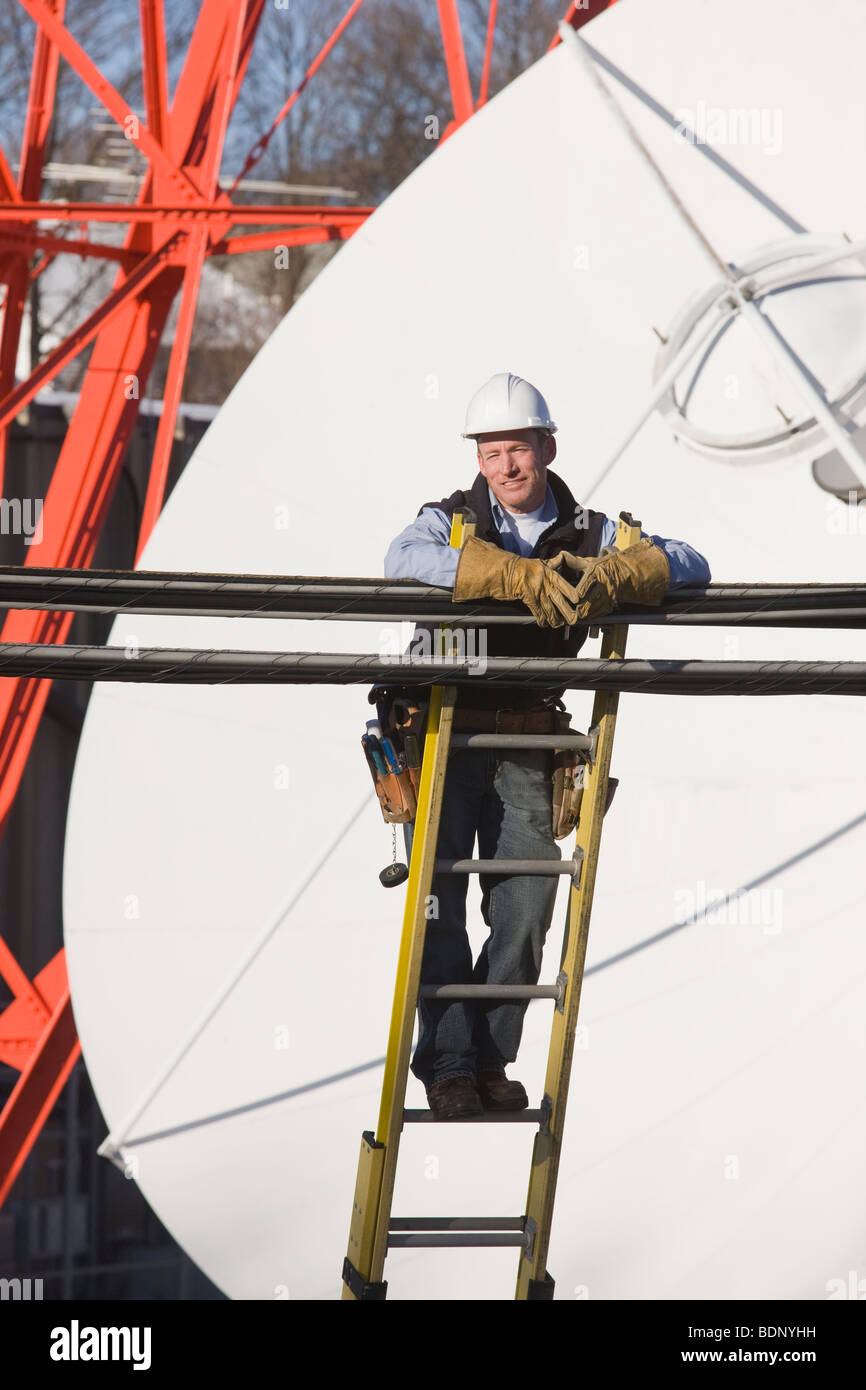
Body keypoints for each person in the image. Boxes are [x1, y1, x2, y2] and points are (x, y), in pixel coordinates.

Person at [384, 372, 710, 1120]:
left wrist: (626, 573)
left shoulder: (592, 534)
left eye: (517, 451)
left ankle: (490, 1059)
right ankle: (450, 1067)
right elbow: (401, 559)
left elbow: (693, 562)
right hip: (442, 729)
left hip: (526, 738)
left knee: (526, 908)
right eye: (491, 453)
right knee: (440, 905)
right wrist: (502, 573)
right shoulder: (455, 521)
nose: (504, 467)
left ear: (547, 449)